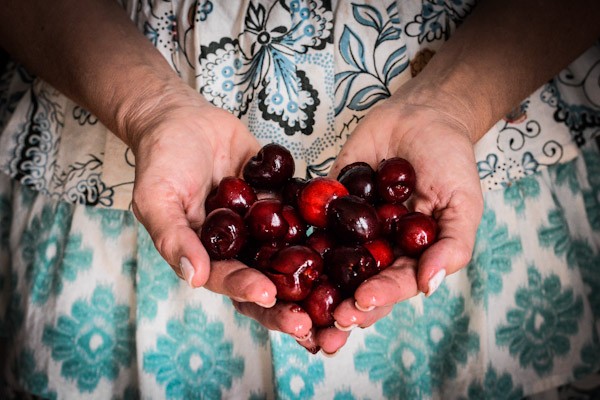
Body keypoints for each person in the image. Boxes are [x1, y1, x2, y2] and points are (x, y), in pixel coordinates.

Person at [0, 0, 599, 398]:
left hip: (484, 171)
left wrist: (452, 107)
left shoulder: (378, 212)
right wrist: (148, 108)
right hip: (110, 188)